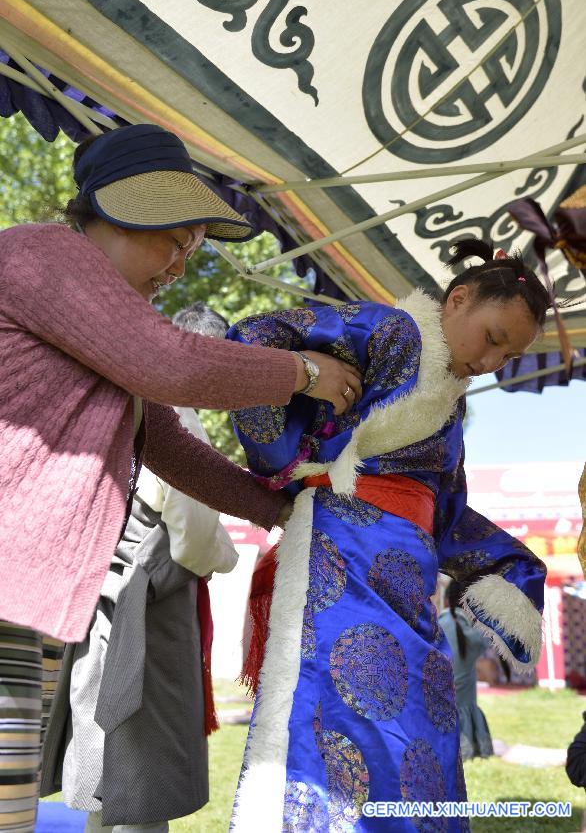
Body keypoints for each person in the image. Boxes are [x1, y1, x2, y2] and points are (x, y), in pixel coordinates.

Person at [0, 123, 361, 833]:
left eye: (192, 249)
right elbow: (174, 366)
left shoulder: (104, 323)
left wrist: (281, 509)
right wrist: (304, 373)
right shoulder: (45, 254)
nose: (180, 265)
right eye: (177, 240)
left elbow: (163, 440)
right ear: (119, 210)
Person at [226, 239, 550, 832]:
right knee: (343, 722)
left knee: (423, 730)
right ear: (457, 300)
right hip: (339, 559)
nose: (493, 360)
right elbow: (253, 336)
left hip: (408, 580)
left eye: (510, 354)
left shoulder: (449, 412)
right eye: (494, 336)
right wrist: (307, 376)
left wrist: (517, 568)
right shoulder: (386, 329)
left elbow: (448, 516)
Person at [41, 302, 237, 833]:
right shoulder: (177, 418)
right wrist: (229, 553)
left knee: (110, 773)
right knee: (140, 780)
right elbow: (195, 538)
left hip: (102, 595)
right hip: (146, 605)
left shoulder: (116, 402)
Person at [439, 580, 493, 760]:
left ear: (446, 600)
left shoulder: (437, 626)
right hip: (464, 707)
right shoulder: (473, 633)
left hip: (440, 708)